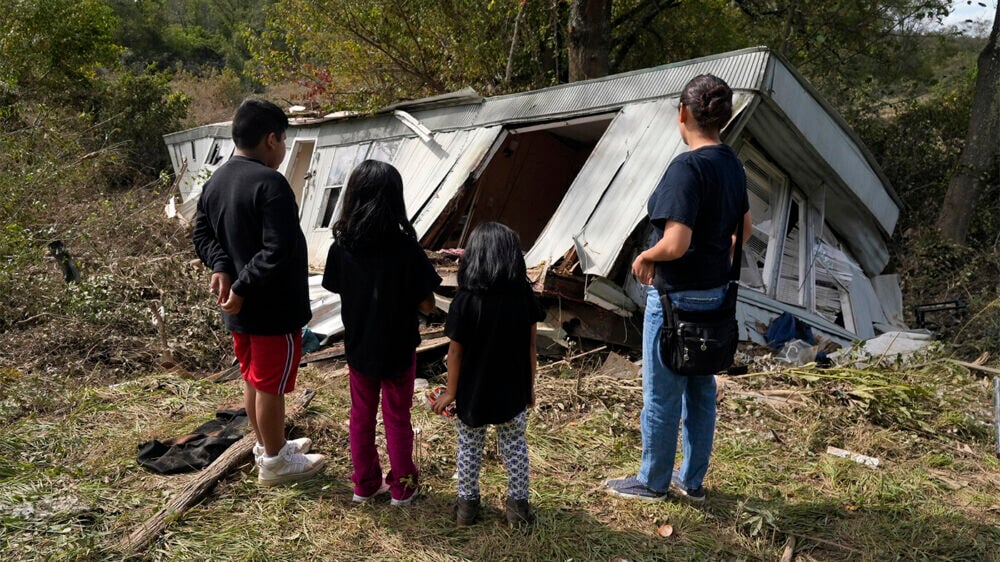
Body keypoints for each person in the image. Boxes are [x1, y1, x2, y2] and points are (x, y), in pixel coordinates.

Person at [604, 74, 751, 503]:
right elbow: (744, 229)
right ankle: (692, 481)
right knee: (701, 390)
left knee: (662, 394)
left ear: (682, 114)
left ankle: (652, 482)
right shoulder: (732, 164)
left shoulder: (687, 167)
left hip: (675, 303)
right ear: (722, 118)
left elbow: (676, 243)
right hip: (716, 297)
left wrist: (647, 257)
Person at [194, 98, 325, 486]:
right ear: (272, 139)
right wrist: (245, 285)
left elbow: (202, 234)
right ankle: (274, 462)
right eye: (283, 140)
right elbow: (277, 249)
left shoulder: (216, 180)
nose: (284, 149)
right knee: (270, 386)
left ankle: (270, 445)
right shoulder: (270, 183)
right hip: (272, 308)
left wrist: (221, 268)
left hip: (239, 309)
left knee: (253, 379)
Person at [322, 159, 441, 506]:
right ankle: (403, 488)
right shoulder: (406, 248)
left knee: (360, 417)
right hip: (399, 349)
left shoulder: (341, 247)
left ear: (353, 197)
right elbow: (428, 305)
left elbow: (339, 288)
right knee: (397, 419)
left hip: (359, 348)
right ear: (395, 199)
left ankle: (364, 484)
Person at [432, 222, 546, 528]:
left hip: (473, 392)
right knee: (515, 447)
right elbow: (531, 345)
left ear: (474, 258)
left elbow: (455, 352)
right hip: (513, 391)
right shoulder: (525, 298)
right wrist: (531, 388)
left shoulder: (466, 300)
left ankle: (467, 508)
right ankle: (518, 509)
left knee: (469, 447)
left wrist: (451, 391)